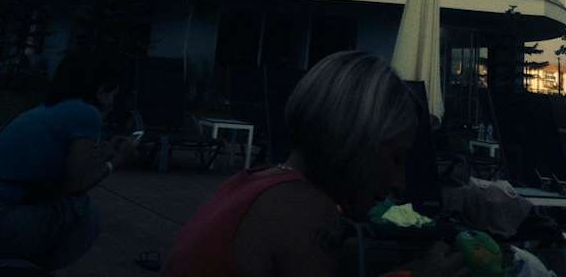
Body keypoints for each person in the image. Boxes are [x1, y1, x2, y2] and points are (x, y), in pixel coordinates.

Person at [163, 50, 468, 277]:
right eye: (395, 158)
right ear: (353, 140)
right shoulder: (304, 210)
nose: (399, 182)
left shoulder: (254, 183)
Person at [0, 51, 138, 270]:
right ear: (101, 92)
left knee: (59, 205)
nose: (113, 103)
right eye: (113, 94)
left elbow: (61, 173)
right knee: (82, 212)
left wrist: (105, 152)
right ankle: (27, 270)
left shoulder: (50, 110)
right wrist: (116, 161)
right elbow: (75, 184)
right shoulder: (87, 113)